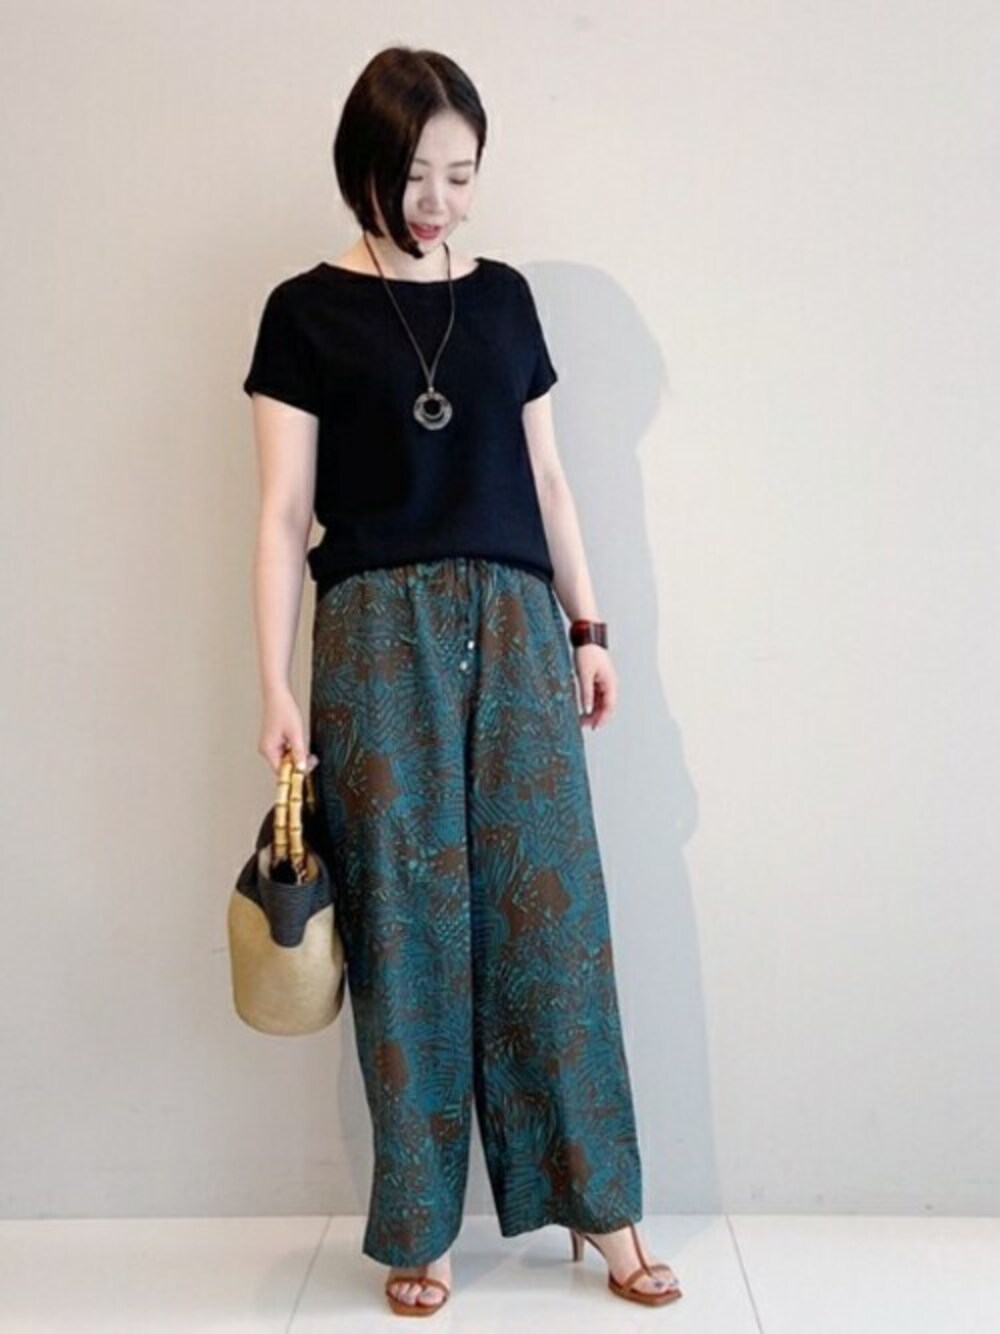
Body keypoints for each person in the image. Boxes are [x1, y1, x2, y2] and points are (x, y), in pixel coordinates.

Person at [241, 44, 683, 1318]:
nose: (436, 201)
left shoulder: (503, 301)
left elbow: (547, 478)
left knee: (552, 919)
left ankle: (601, 1201)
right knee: (407, 928)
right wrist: (272, 684)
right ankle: (421, 1222)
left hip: (516, 621)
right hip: (374, 636)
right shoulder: (303, 311)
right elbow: (282, 514)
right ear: (362, 167)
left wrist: (588, 626)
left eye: (460, 173)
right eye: (412, 174)